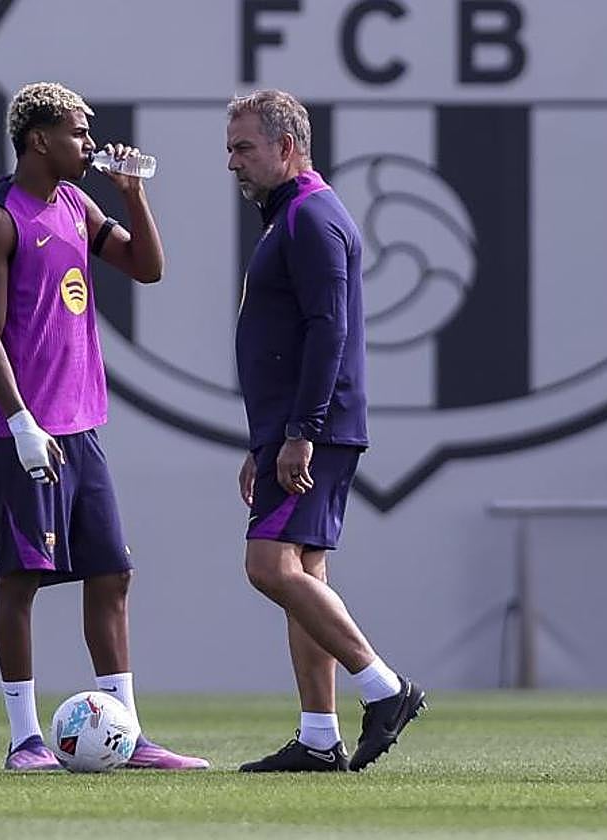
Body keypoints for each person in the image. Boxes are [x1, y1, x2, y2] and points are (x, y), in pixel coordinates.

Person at [0, 81, 208, 771]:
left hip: (82, 427)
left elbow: (148, 269)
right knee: (21, 579)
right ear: (38, 139)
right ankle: (24, 738)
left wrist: (133, 192)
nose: (90, 144)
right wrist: (19, 423)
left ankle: (126, 736)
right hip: (23, 431)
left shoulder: (77, 202)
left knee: (111, 574)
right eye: (78, 131)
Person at [227, 89, 426, 773]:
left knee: (269, 566)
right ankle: (318, 738)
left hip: (316, 427)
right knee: (305, 572)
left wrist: (301, 432)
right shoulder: (292, 215)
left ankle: (385, 688)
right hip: (297, 426)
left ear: (287, 146)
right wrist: (265, 439)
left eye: (244, 147)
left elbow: (328, 328)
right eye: (230, 149)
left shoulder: (312, 217)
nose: (233, 163)